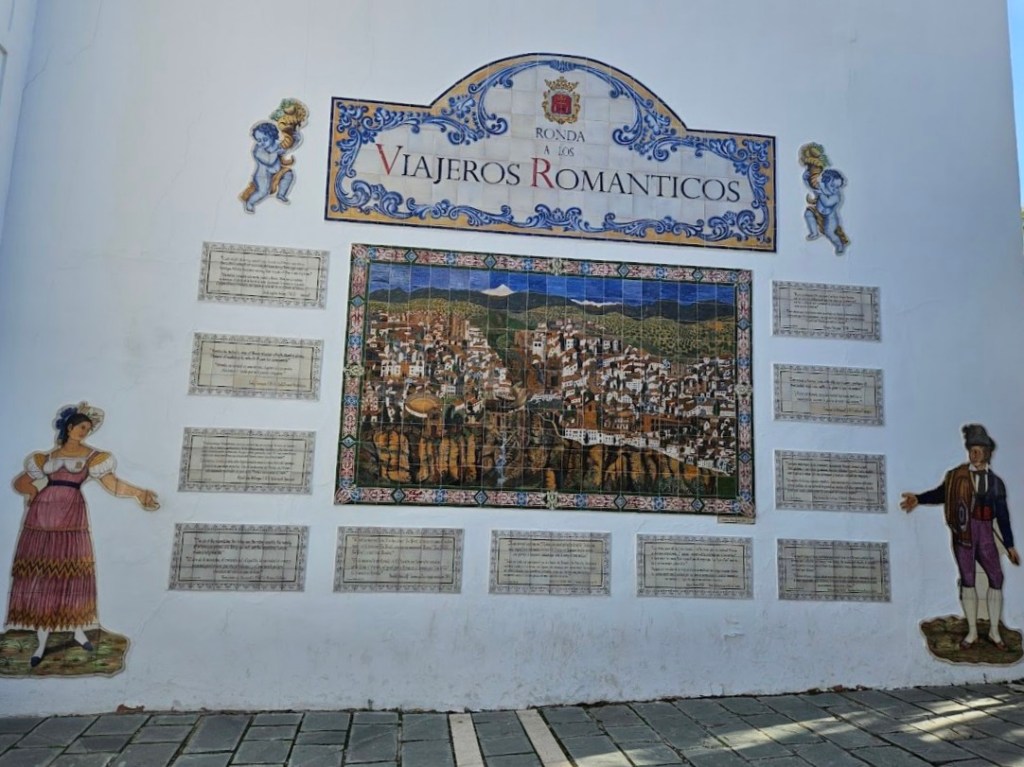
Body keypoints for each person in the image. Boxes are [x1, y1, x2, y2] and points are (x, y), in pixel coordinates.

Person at [6, 403, 159, 667]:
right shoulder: (45, 458)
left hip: (71, 516)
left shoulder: (93, 457)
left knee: (72, 573)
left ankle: (77, 628)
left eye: (88, 429)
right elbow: (21, 482)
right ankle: (42, 639)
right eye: (81, 427)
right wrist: (33, 494)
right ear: (69, 427)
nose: (85, 432)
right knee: (42, 575)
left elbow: (113, 484)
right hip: (42, 519)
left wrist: (139, 493)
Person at [901, 424, 1019, 650]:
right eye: (971, 450)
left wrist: (1010, 545)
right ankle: (972, 632)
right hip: (963, 532)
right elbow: (941, 494)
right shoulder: (956, 476)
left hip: (985, 531)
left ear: (987, 453)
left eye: (979, 450)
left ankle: (994, 631)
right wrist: (918, 498)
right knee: (967, 579)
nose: (974, 454)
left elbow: (1002, 515)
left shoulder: (996, 483)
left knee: (996, 577)